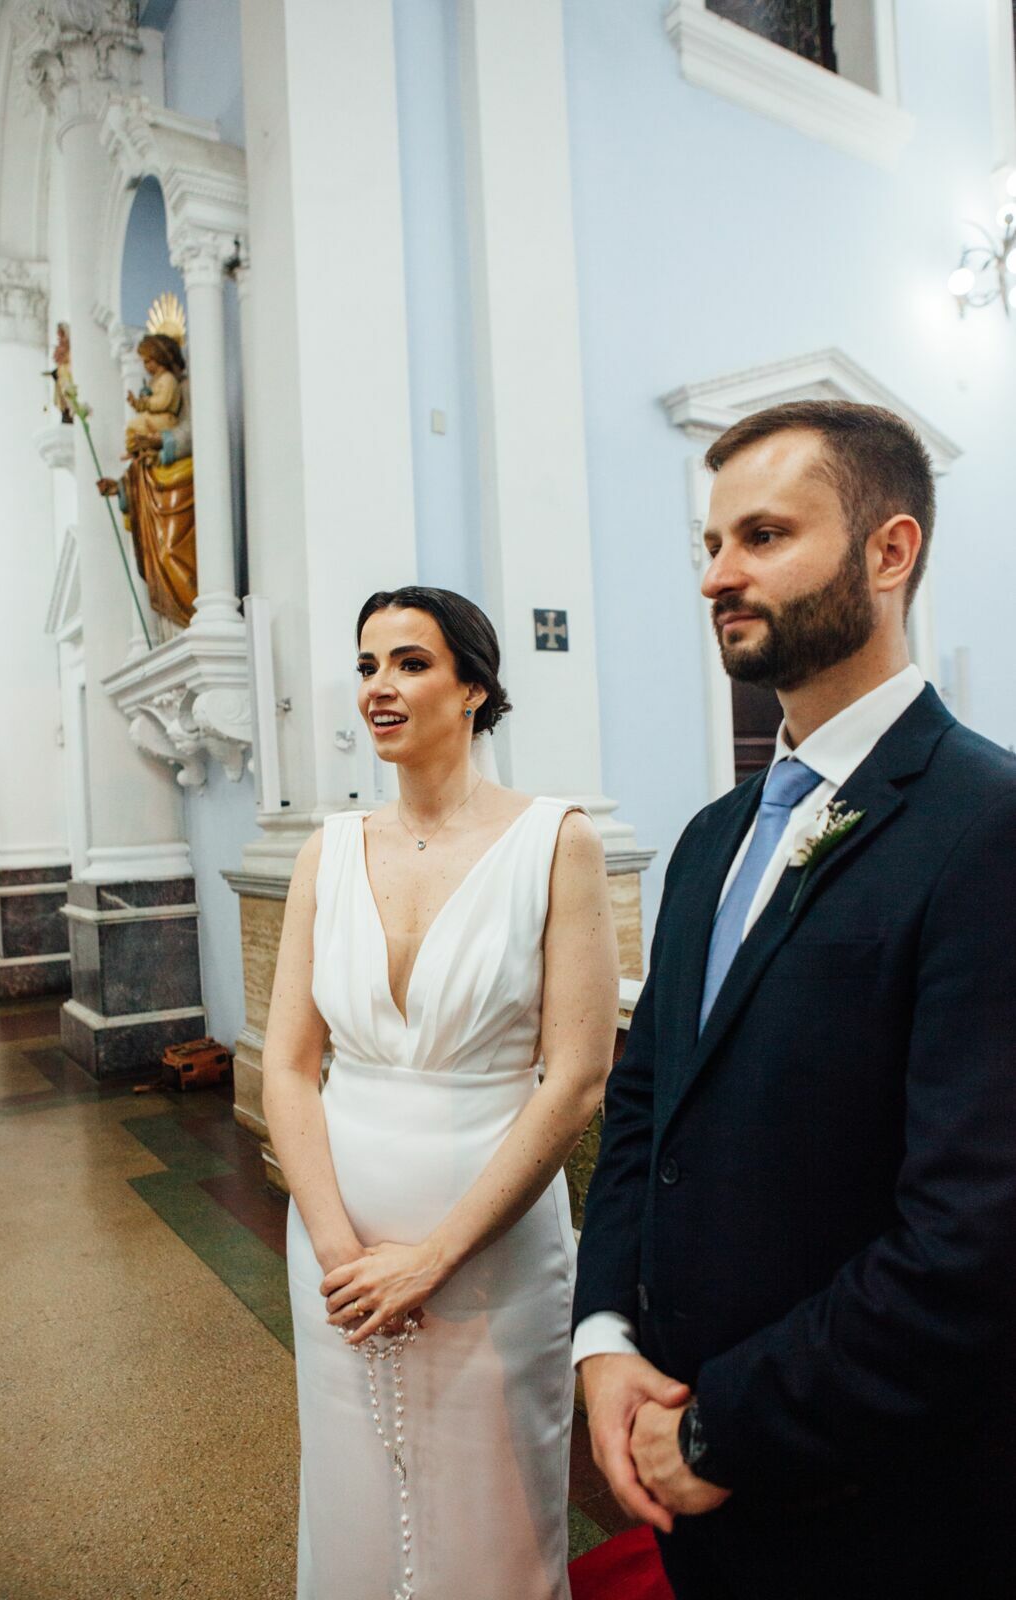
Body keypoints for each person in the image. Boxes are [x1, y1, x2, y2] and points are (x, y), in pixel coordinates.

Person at [573, 399, 1016, 1600]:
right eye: (710, 543)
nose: (716, 574)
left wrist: (725, 1426)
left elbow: (971, 1237)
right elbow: (643, 1107)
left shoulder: (984, 825)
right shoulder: (710, 836)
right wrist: (605, 1337)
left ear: (888, 550)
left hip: (874, 1498)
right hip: (683, 1458)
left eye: (762, 535)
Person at [263, 586, 618, 1600]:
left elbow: (576, 1077)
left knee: (491, 1519)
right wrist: (337, 1248)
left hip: (489, 1250)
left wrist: (432, 1257)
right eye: (367, 664)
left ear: (472, 688)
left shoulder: (555, 841)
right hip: (336, 1250)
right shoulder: (326, 851)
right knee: (353, 1505)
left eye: (410, 663)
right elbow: (287, 1063)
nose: (378, 686)